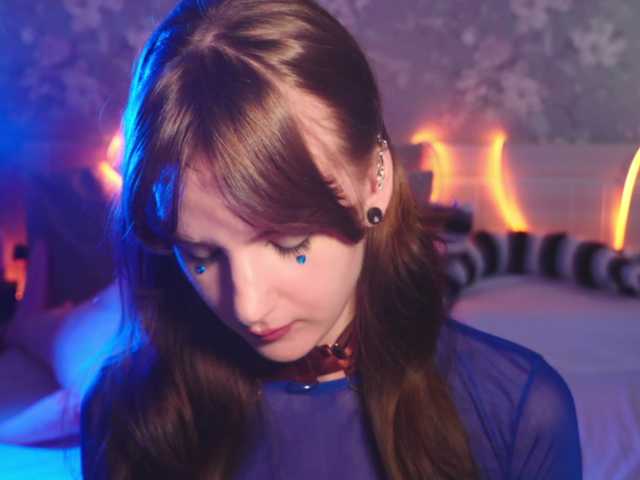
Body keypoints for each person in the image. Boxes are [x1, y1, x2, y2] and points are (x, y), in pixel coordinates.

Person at [81, 0, 582, 478]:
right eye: (202, 255)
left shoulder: (516, 414)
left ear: (375, 180)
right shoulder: (124, 416)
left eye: (289, 244)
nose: (249, 307)